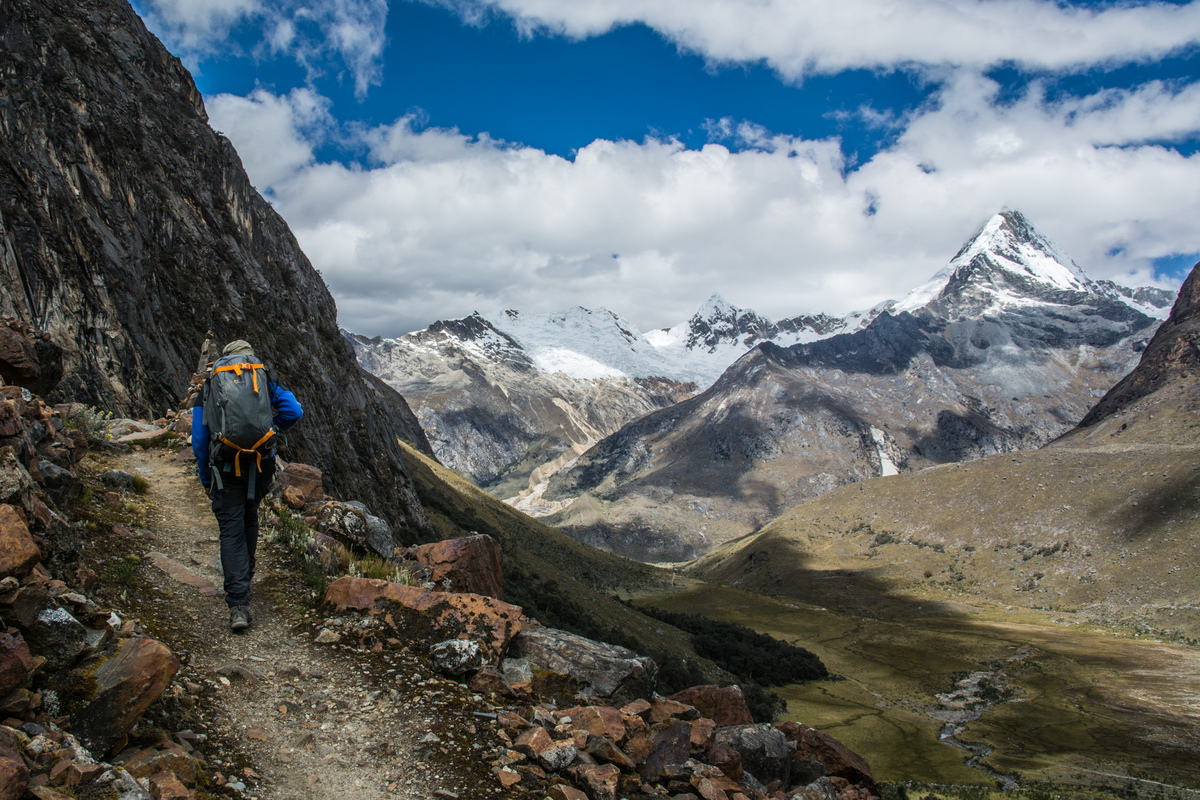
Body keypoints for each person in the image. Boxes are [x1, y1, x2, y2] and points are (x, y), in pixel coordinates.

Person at [192, 340, 303, 631]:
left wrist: (206, 478)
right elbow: (294, 411)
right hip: (260, 462)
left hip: (225, 465)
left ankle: (239, 605)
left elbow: (200, 439)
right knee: (250, 516)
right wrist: (270, 426)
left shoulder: (211, 384)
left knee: (231, 529)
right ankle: (247, 577)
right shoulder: (263, 377)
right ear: (250, 356)